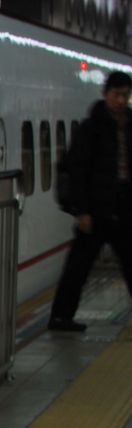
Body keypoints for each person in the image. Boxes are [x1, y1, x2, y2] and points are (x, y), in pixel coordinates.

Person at [48, 70, 132, 332]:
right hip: (96, 211)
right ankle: (60, 317)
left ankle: (61, 315)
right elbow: (77, 170)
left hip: (125, 207)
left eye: (125, 96)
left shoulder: (131, 126)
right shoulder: (91, 128)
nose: (121, 100)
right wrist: (81, 210)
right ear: (105, 94)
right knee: (79, 267)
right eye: (116, 95)